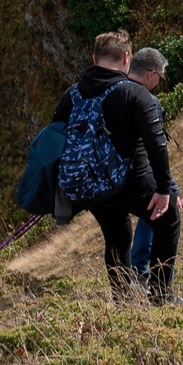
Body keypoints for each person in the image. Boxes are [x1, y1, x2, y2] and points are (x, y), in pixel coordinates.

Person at [49, 30, 166, 307]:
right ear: (127, 58)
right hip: (124, 181)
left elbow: (54, 136)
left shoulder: (72, 94)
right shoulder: (132, 92)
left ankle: (123, 303)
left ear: (93, 57)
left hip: (85, 185)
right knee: (167, 218)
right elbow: (155, 144)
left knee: (117, 236)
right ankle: (162, 297)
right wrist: (164, 188)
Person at [124, 46, 183, 304]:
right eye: (161, 77)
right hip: (137, 176)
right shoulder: (149, 102)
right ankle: (159, 293)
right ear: (150, 74)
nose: (160, 82)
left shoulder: (112, 90)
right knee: (165, 214)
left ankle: (126, 284)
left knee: (118, 229)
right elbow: (155, 150)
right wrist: (170, 189)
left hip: (104, 179)